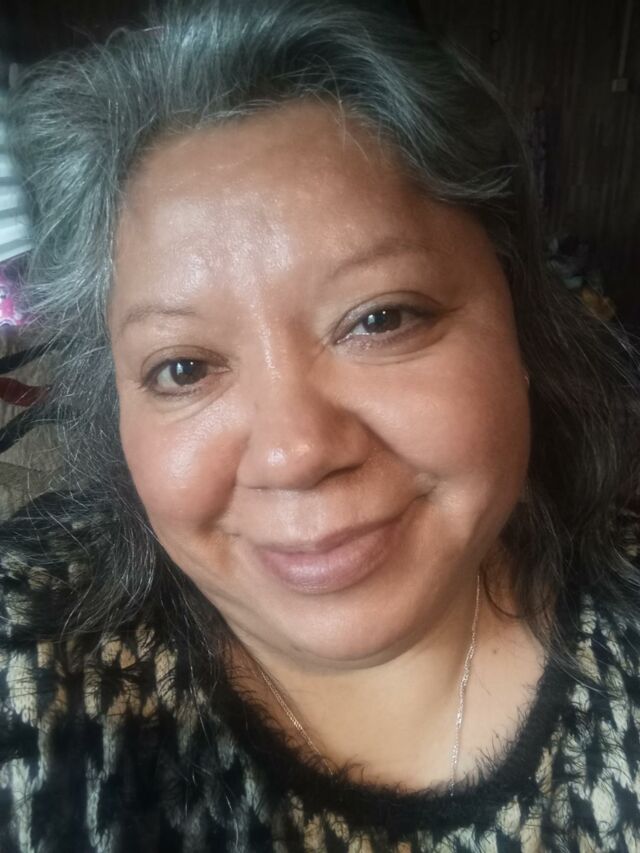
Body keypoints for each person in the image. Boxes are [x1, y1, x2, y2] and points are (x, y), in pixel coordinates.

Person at [1, 1, 639, 850]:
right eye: (183, 368)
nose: (294, 452)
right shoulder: (30, 666)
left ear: (519, 317)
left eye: (380, 318)